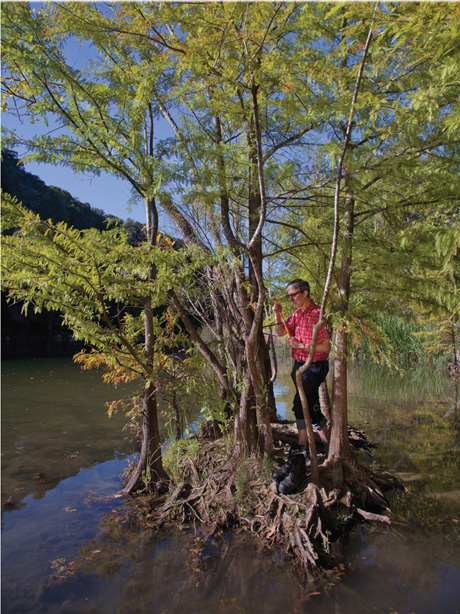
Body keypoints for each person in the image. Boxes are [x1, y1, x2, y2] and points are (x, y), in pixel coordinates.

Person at [273, 279, 331, 451]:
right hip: (300, 367)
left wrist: (303, 346)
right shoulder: (297, 314)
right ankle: (327, 447)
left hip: (315, 366)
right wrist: (278, 314)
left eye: (294, 295)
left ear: (305, 293)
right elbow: (281, 332)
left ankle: (301, 447)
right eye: (289, 296)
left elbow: (326, 348)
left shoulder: (318, 314)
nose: (291, 299)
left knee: (300, 404)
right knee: (310, 405)